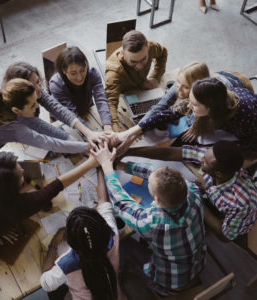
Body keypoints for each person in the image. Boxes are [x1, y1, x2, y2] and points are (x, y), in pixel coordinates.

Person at [0, 151, 98, 296]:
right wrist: (92, 162)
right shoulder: (11, 208)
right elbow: (55, 186)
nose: (23, 171)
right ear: (8, 191)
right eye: (21, 176)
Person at [91, 142, 206, 296]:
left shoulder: (152, 223)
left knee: (122, 243)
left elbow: (122, 203)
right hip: (197, 266)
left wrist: (106, 167)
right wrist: (121, 166)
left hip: (169, 284)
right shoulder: (192, 190)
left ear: (157, 201)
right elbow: (154, 173)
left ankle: (121, 279)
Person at [124, 140, 257, 242]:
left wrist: (198, 202)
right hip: (210, 197)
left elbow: (225, 236)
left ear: (218, 174)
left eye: (204, 162)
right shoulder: (213, 158)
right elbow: (168, 153)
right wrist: (127, 151)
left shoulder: (242, 205)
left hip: (227, 222)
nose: (201, 160)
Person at [110, 62, 254, 153]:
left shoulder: (243, 118)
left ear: (210, 109)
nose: (188, 107)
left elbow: (248, 144)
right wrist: (132, 131)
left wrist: (205, 151)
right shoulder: (207, 95)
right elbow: (168, 112)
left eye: (195, 105)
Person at [0, 78, 89, 171]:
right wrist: (87, 146)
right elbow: (51, 144)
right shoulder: (13, 129)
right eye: (32, 105)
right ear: (16, 110)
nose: (37, 106)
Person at [40, 170, 127, 300]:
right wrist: (100, 167)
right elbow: (104, 201)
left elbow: (45, 283)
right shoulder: (112, 236)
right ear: (103, 226)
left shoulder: (66, 263)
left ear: (69, 242)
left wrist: (53, 244)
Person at [3, 62, 105, 145]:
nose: (39, 89)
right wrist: (77, 144)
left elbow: (57, 108)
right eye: (32, 87)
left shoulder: (36, 90)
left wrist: (88, 132)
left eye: (38, 82)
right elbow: (41, 126)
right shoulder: (16, 109)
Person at [105, 30, 168, 131]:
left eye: (143, 59)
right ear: (123, 53)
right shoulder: (113, 72)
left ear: (147, 48)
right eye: (133, 62)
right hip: (123, 95)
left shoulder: (151, 47)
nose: (139, 66)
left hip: (143, 86)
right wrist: (114, 129)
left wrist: (156, 77)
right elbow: (111, 103)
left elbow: (163, 52)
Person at [49, 46, 113, 133]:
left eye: (82, 70)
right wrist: (92, 134)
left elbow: (101, 99)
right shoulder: (56, 84)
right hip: (65, 117)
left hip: (87, 109)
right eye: (73, 73)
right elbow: (71, 115)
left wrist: (107, 126)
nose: (79, 77)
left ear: (86, 65)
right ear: (64, 71)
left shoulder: (92, 73)